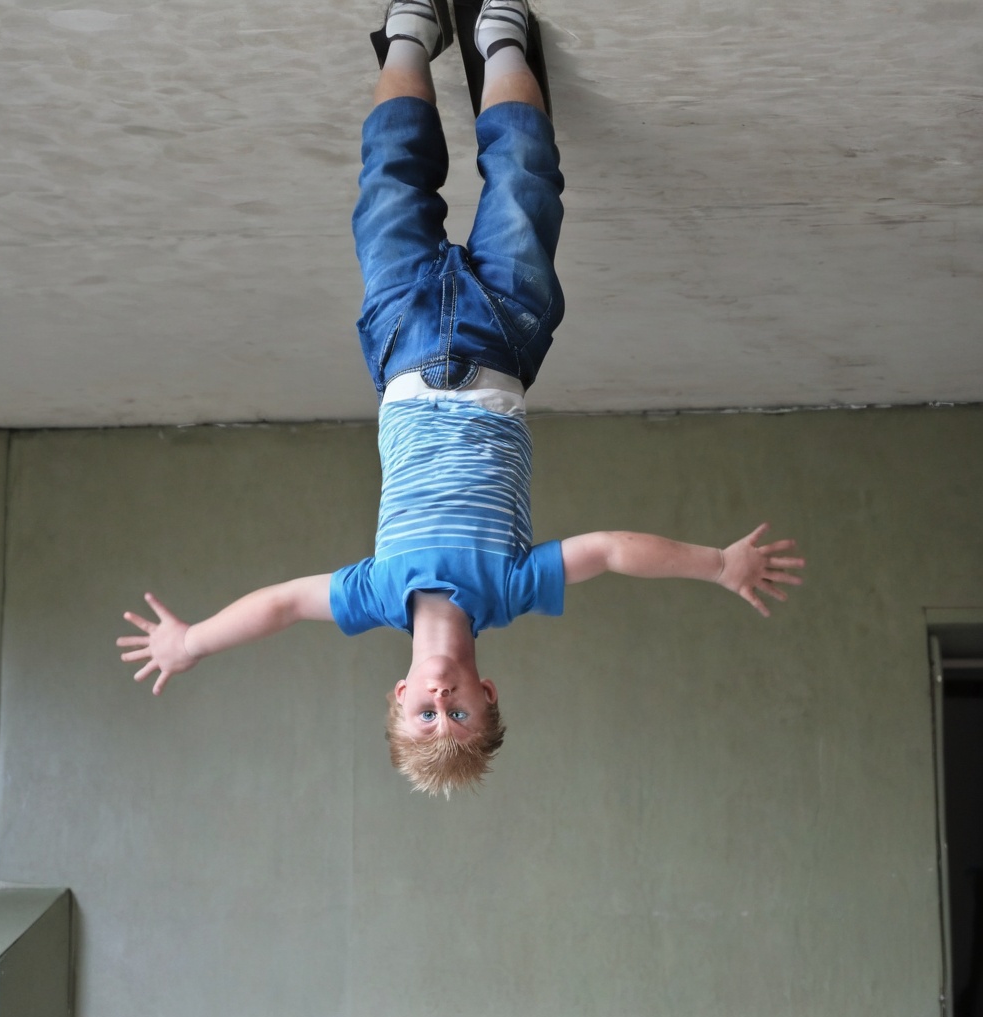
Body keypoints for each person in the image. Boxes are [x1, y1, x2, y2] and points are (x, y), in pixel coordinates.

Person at [118, 0, 805, 796]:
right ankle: (499, 36)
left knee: (390, 179)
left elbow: (281, 606)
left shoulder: (375, 595)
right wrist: (717, 564)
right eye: (461, 716)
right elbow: (613, 551)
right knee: (525, 177)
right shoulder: (511, 589)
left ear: (399, 695)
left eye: (425, 716)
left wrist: (194, 642)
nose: (442, 703)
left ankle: (410, 34)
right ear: (489, 694)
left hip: (404, 341)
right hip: (501, 337)